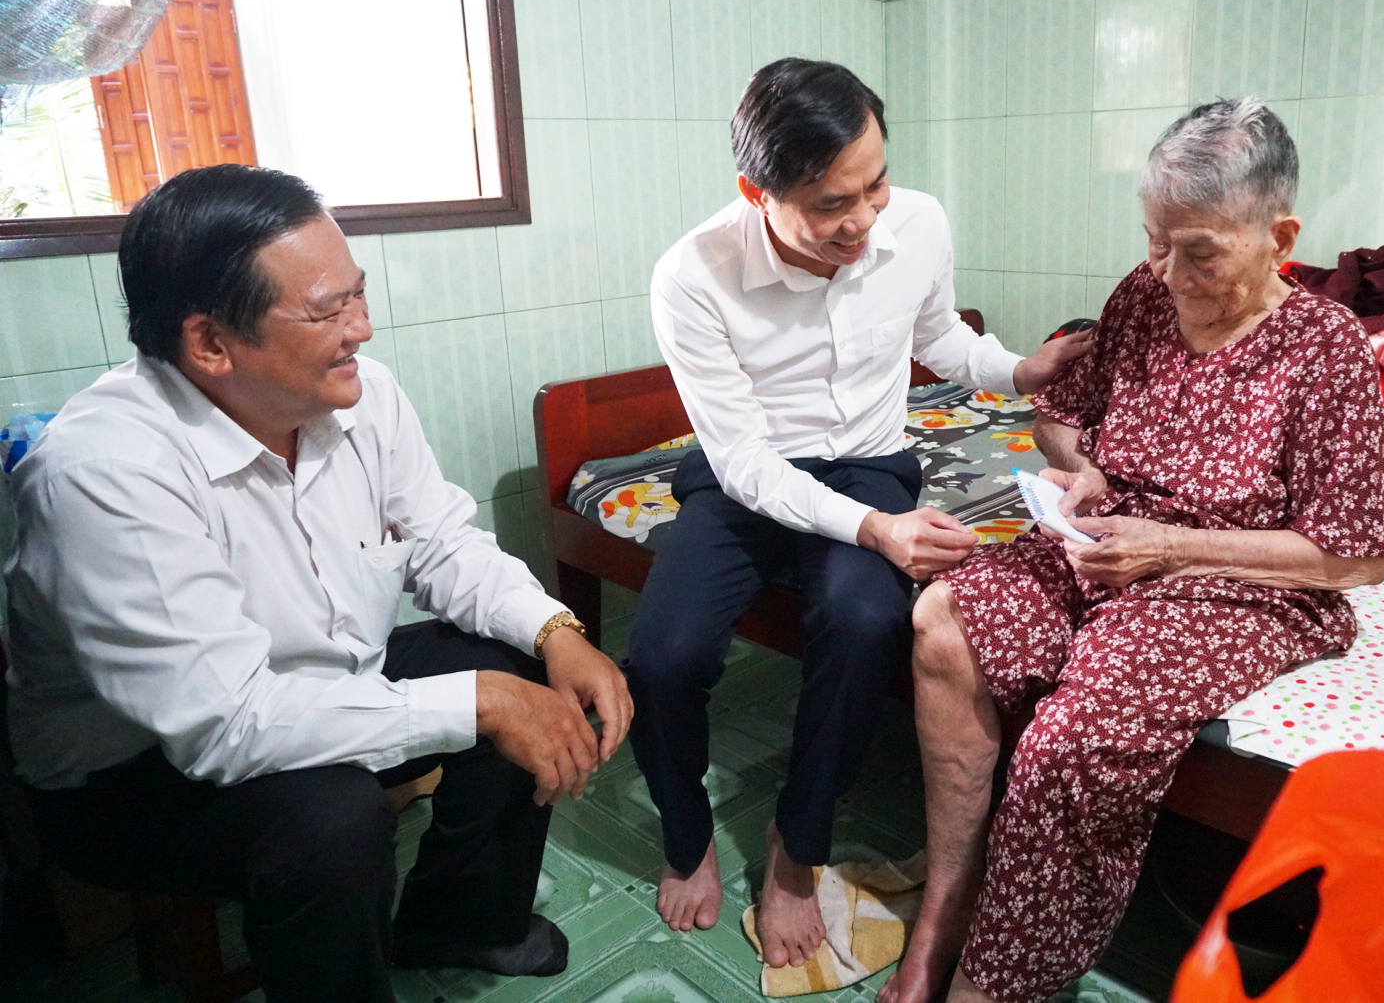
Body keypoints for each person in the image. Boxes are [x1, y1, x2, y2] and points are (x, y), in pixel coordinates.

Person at [3, 164, 633, 1003]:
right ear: (210, 343)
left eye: (358, 295)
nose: (361, 329)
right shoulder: (104, 472)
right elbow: (225, 722)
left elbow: (443, 541)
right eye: (328, 310)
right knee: (333, 818)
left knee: (515, 658)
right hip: (135, 768)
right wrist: (478, 702)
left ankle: (460, 918)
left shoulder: (363, 399)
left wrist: (556, 631)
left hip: (319, 680)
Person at [880, 98, 1384, 1003]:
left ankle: (998, 980)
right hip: (1108, 542)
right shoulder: (1143, 292)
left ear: (1279, 237)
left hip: (1234, 582)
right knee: (945, 616)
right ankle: (945, 908)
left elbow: (1353, 559)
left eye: (1200, 252)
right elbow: (1059, 418)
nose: (1171, 272)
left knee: (1071, 739)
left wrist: (1170, 546)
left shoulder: (1327, 350)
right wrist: (1081, 467)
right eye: (1156, 242)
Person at [624, 58, 1090, 968]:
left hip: (870, 461)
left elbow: (938, 335)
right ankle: (686, 834)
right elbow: (745, 462)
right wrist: (878, 530)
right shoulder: (691, 275)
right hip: (745, 475)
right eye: (833, 203)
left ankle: (795, 848)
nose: (866, 217)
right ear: (756, 192)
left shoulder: (916, 221)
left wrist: (1018, 370)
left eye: (876, 183)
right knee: (663, 655)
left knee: (866, 618)